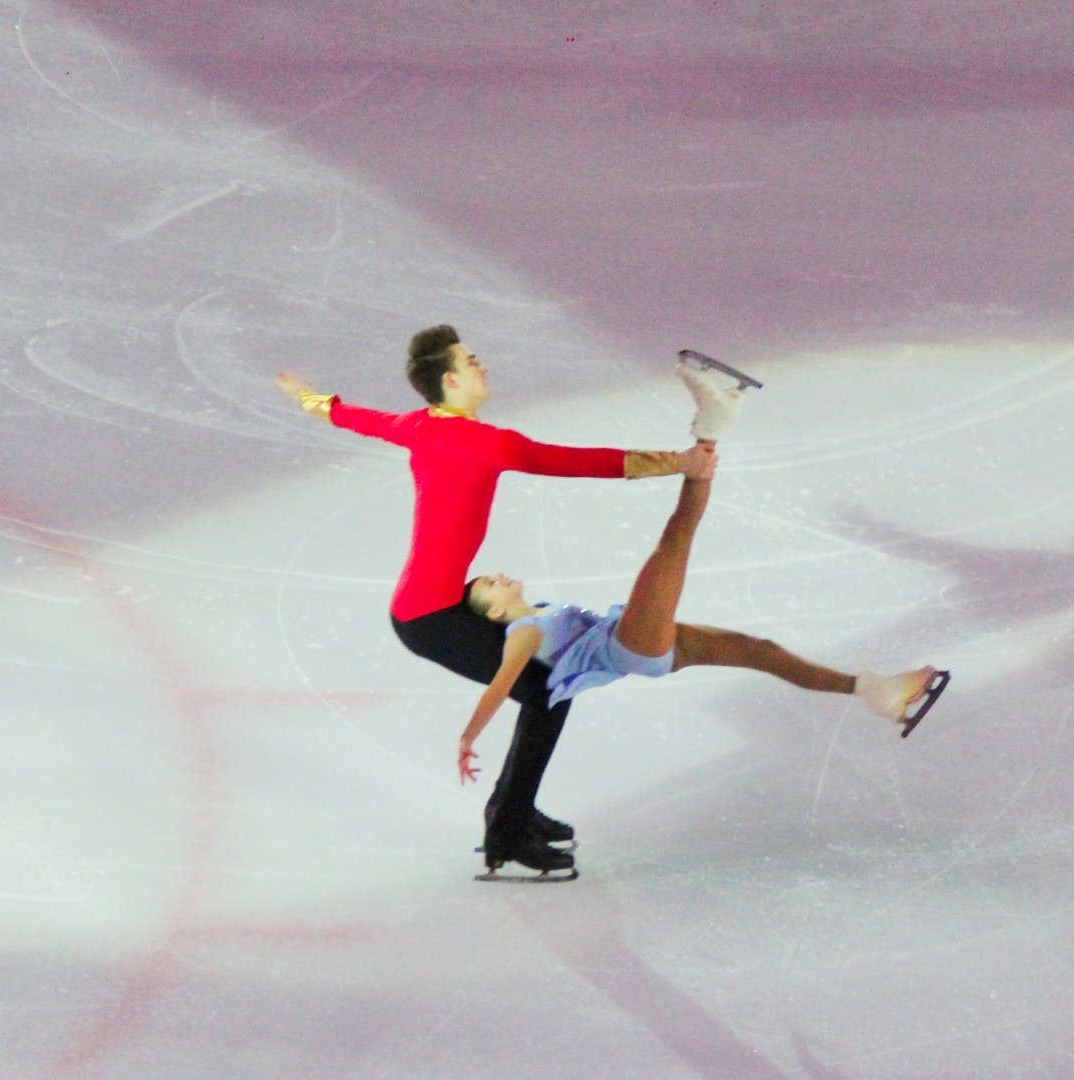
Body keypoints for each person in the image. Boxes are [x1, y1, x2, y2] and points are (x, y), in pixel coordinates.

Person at [274, 325, 734, 877]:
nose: (484, 367)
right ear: (450, 379)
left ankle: (509, 810)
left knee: (548, 691)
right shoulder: (487, 443)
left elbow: (346, 414)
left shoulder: (417, 427)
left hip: (434, 606)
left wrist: (306, 396)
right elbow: (577, 461)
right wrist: (679, 463)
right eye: (473, 361)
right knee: (547, 694)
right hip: (431, 618)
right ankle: (508, 832)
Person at [460, 432, 949, 878]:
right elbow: (503, 685)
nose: (497, 575)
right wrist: (468, 738)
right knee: (675, 541)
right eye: (488, 585)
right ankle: (707, 435)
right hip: (627, 645)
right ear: (493, 612)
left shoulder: (540, 610)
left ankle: (874, 691)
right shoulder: (522, 631)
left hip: (638, 645)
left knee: (761, 652)